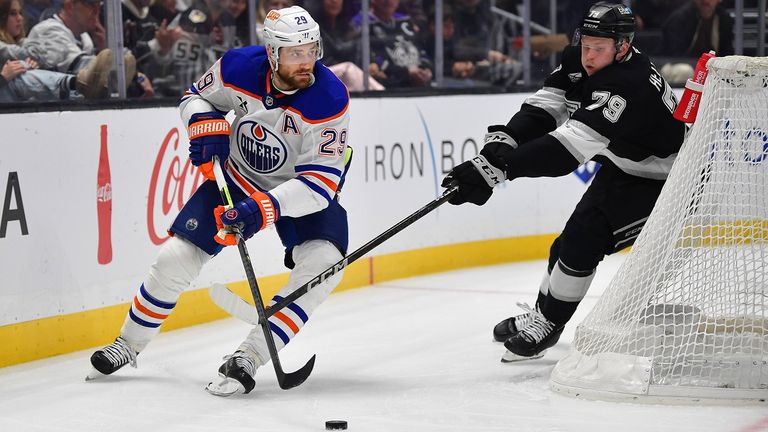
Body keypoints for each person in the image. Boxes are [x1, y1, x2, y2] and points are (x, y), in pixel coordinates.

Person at [87, 5, 352, 397]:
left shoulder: (329, 98)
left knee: (324, 263)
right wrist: (203, 123)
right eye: (296, 53)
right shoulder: (238, 67)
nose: (306, 61)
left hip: (300, 190)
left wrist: (263, 209)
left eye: (312, 50)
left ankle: (250, 354)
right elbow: (194, 97)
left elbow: (318, 185)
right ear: (273, 53)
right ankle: (127, 344)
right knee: (175, 257)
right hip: (239, 177)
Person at [442, 2, 685, 362]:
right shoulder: (582, 60)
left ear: (622, 46)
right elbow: (547, 106)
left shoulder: (627, 85)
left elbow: (564, 151)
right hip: (628, 168)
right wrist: (507, 139)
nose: (587, 55)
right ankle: (544, 312)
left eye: (598, 49)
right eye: (585, 44)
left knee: (583, 242)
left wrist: (498, 170)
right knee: (568, 244)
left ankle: (549, 323)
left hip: (669, 181)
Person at [23, 0, 137, 97]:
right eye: (90, 6)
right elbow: (78, 67)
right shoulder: (48, 30)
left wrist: (104, 44)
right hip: (43, 109)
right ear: (69, 6)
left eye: (97, 6)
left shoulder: (85, 37)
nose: (96, 12)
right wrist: (116, 65)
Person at [0, 0, 109, 100]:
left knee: (21, 72)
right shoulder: (48, 28)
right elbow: (36, 55)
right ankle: (79, 85)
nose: (20, 18)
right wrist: (4, 77)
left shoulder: (22, 43)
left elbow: (37, 56)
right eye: (13, 14)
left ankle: (91, 82)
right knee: (19, 78)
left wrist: (30, 65)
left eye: (20, 13)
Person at [662, 0, 734, 57]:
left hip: (711, 66)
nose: (705, 1)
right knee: (684, 70)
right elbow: (673, 54)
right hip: (678, 64)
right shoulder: (680, 18)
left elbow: (726, 52)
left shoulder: (724, 19)